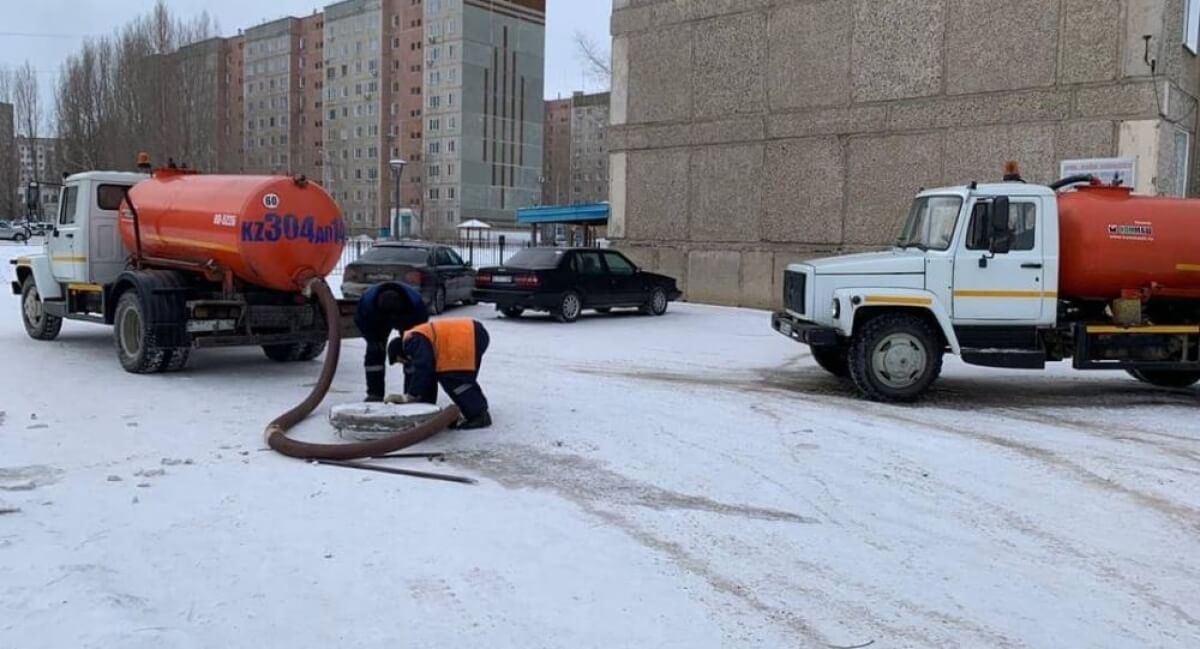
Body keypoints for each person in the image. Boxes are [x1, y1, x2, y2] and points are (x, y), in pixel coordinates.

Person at [386, 318, 492, 430]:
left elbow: (423, 367)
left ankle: (479, 415)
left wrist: (411, 395)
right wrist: (414, 403)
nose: (402, 363)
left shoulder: (412, 341)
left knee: (455, 380)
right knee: (446, 375)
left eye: (399, 360)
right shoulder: (415, 340)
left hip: (468, 335)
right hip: (472, 333)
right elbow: (418, 374)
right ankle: (472, 410)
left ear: (399, 352)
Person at [354, 282, 429, 402]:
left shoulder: (415, 304)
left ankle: (411, 394)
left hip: (407, 319)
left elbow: (420, 328)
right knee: (374, 353)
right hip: (376, 320)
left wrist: (405, 342)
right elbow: (361, 321)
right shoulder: (367, 304)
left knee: (410, 353)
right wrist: (372, 339)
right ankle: (375, 393)